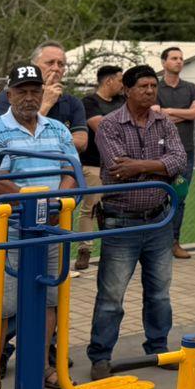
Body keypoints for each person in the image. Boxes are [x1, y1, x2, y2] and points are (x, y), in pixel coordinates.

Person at [0, 65, 83, 389]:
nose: (29, 97)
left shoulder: (57, 129)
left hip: (49, 228)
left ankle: (40, 366)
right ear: (9, 95)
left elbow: (71, 170)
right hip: (8, 231)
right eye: (22, 91)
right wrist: (39, 205)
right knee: (2, 308)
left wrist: (57, 203)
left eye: (35, 91)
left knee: (48, 302)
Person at [87, 65, 187, 378]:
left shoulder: (164, 122)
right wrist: (159, 167)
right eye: (143, 86)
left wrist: (140, 166)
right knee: (111, 296)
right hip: (121, 223)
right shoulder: (110, 125)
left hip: (158, 221)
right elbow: (118, 169)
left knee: (159, 292)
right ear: (127, 90)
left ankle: (158, 347)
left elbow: (180, 160)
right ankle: (101, 356)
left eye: (152, 86)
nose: (149, 91)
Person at [154, 47, 195, 261]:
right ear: (164, 62)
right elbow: (155, 116)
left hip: (186, 152)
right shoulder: (155, 87)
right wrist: (187, 113)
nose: (179, 61)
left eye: (181, 58)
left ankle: (174, 242)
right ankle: (157, 245)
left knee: (179, 197)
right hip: (160, 152)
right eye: (174, 58)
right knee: (157, 197)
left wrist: (168, 111)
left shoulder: (191, 87)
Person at [0, 40, 88, 155]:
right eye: (50, 63)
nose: (56, 68)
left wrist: (43, 144)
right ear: (34, 66)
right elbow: (7, 137)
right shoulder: (11, 96)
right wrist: (46, 103)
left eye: (61, 64)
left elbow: (81, 143)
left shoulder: (73, 102)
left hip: (62, 163)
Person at [75, 65, 124, 270]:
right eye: (120, 80)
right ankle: (85, 249)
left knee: (116, 208)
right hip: (93, 164)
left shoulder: (122, 101)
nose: (123, 85)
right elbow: (101, 127)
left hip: (118, 164)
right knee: (91, 208)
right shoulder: (89, 102)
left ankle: (113, 251)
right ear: (108, 81)